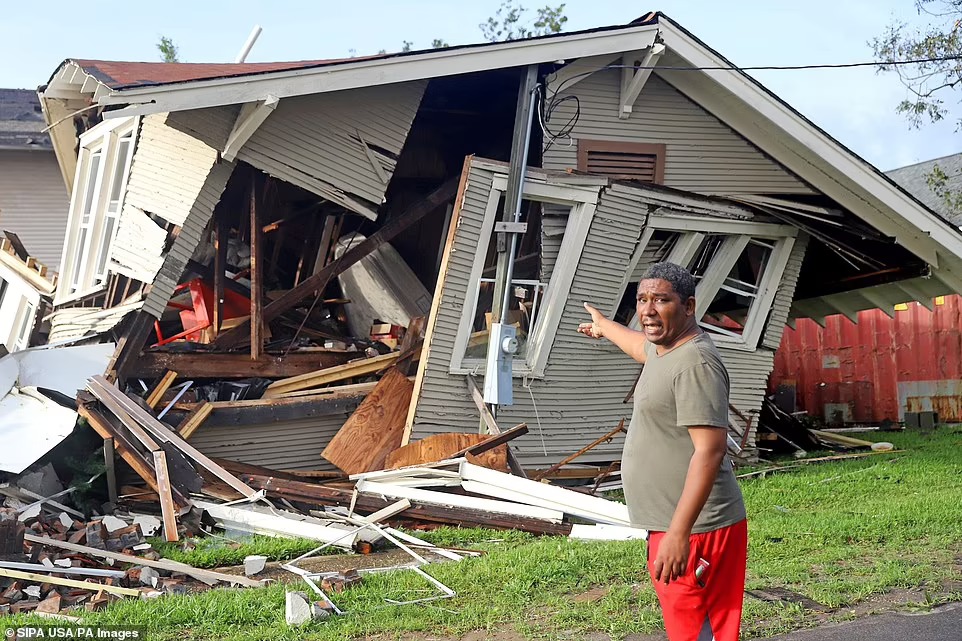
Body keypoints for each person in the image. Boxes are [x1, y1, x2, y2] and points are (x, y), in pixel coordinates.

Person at [578, 261, 747, 641]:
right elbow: (639, 345)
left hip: (697, 529)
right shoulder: (664, 348)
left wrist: (678, 533)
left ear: (688, 306)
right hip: (673, 524)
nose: (648, 310)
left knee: (699, 632)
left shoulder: (695, 363)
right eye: (642, 299)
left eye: (661, 300)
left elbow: (710, 451)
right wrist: (604, 326)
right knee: (687, 629)